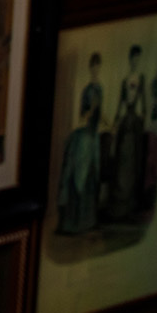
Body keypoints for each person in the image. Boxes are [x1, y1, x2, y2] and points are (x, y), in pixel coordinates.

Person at [56, 54, 105, 234]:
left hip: (94, 136)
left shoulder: (100, 88)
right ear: (90, 68)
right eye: (94, 67)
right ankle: (75, 222)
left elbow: (101, 114)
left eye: (98, 67)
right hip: (85, 136)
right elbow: (83, 116)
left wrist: (109, 124)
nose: (96, 70)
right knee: (80, 176)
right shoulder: (87, 91)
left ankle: (90, 221)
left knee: (94, 174)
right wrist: (91, 109)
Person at [106, 46, 150, 223]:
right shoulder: (125, 80)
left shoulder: (141, 78)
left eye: (138, 58)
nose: (135, 61)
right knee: (123, 159)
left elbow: (144, 102)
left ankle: (131, 205)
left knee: (134, 162)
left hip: (136, 124)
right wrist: (115, 124)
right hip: (126, 122)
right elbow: (120, 103)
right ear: (130, 59)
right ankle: (119, 206)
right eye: (134, 58)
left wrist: (143, 117)